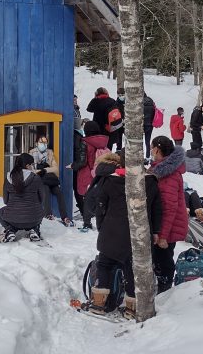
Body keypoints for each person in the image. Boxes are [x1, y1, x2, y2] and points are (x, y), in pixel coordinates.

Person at [88, 151, 163, 318]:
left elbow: (100, 207)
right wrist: (156, 231)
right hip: (139, 234)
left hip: (112, 231)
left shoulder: (110, 181)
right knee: (133, 269)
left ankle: (98, 303)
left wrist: (102, 226)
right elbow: (157, 210)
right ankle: (131, 308)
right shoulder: (150, 182)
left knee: (105, 264)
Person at [148, 136, 188, 292]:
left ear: (157, 150)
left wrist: (163, 235)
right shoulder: (161, 169)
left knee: (163, 261)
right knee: (160, 259)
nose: (150, 151)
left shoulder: (168, 174)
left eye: (152, 148)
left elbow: (169, 207)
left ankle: (165, 293)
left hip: (168, 228)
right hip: (164, 226)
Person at [0, 153, 46, 242]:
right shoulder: (36, 178)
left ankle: (10, 230)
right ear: (27, 166)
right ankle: (34, 229)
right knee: (40, 209)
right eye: (32, 164)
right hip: (33, 219)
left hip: (13, 219)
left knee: (0, 212)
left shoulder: (9, 178)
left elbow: (6, 200)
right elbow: (42, 198)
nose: (33, 167)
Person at [31, 135, 71, 226]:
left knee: (59, 193)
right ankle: (48, 214)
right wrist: (46, 168)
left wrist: (44, 170)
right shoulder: (32, 153)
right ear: (36, 143)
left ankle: (64, 217)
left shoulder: (50, 153)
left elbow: (56, 168)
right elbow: (32, 170)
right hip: (41, 181)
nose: (43, 144)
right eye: (41, 142)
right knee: (45, 191)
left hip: (51, 179)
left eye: (45, 142)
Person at [77, 120, 110, 224]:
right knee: (99, 195)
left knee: (87, 197)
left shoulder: (86, 143)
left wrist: (73, 165)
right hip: (100, 171)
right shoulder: (102, 141)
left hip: (87, 172)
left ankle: (87, 222)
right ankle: (100, 217)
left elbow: (84, 161)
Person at [70, 118, 87, 225]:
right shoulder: (78, 137)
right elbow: (79, 154)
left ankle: (84, 210)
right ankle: (84, 210)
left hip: (76, 166)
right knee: (78, 189)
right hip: (77, 167)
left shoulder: (76, 136)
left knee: (78, 189)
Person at [142, 93, 157, 160]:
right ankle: (147, 156)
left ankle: (139, 155)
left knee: (138, 141)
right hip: (150, 124)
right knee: (147, 141)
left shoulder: (139, 102)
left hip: (142, 124)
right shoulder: (151, 101)